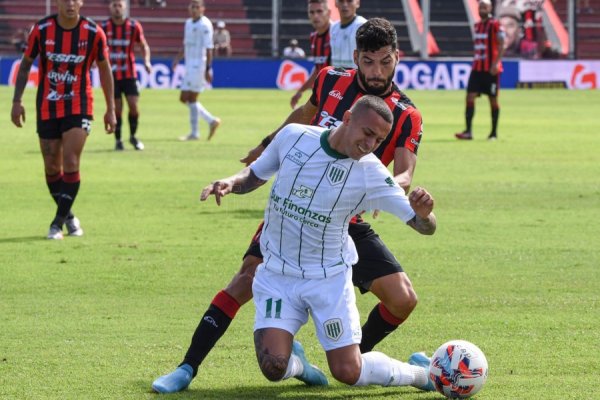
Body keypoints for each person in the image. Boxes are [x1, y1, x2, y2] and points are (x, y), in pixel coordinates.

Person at [152, 18, 429, 394]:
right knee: (245, 279)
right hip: (294, 212)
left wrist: (388, 191)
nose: (376, 71)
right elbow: (301, 118)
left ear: (397, 58)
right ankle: (187, 367)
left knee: (403, 299)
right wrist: (266, 144)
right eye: (368, 61)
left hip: (346, 218)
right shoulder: (331, 79)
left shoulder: (405, 114)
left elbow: (405, 173)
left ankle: (353, 358)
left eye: (384, 61)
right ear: (356, 58)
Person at [198, 96, 437, 391]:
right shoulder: (294, 136)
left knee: (347, 371)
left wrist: (425, 215)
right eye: (367, 132)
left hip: (328, 280)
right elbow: (255, 174)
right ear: (347, 118)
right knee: (273, 367)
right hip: (278, 275)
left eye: (379, 139)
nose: (371, 143)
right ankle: (299, 366)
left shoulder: (372, 173)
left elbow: (424, 226)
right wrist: (230, 182)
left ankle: (420, 374)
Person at [10, 0, 116, 240]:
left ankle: (56, 224)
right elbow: (26, 65)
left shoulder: (93, 33)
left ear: (81, 3)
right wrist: (17, 101)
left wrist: (111, 109)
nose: (70, 3)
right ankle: (69, 217)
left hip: (79, 105)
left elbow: (104, 68)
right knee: (51, 166)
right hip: (47, 105)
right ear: (56, 2)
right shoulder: (42, 30)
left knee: (70, 160)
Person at [102, 0, 152, 151]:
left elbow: (144, 45)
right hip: (112, 76)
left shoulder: (133, 26)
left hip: (129, 74)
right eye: (114, 5)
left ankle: (133, 137)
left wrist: (147, 61)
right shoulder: (104, 27)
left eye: (120, 6)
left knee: (134, 107)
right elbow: (97, 47)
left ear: (124, 8)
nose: (117, 9)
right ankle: (118, 141)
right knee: (117, 110)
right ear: (110, 8)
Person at [455, 0, 505, 141]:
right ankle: (468, 131)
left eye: (485, 7)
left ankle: (493, 133)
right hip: (477, 68)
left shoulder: (495, 25)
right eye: (480, 7)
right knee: (469, 97)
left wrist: (496, 63)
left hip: (491, 70)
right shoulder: (477, 26)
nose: (482, 9)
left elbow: (502, 44)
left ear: (489, 8)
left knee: (493, 100)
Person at [173, 0, 221, 141]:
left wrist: (208, 69)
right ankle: (211, 121)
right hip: (189, 65)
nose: (194, 9)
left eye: (196, 7)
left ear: (202, 9)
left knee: (192, 98)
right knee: (184, 98)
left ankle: (195, 133)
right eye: (192, 6)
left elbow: (209, 48)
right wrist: (177, 59)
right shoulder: (188, 23)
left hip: (199, 65)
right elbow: (185, 44)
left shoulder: (205, 25)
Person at [290, 0, 331, 109]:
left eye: (319, 11)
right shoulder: (314, 37)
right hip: (322, 94)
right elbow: (318, 69)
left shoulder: (337, 35)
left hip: (338, 95)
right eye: (311, 12)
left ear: (328, 13)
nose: (315, 16)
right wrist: (300, 91)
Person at [330, 0, 366, 68]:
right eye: (341, 1)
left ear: (357, 3)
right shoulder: (333, 27)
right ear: (335, 3)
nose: (345, 5)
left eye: (349, 1)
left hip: (356, 77)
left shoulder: (363, 26)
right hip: (336, 76)